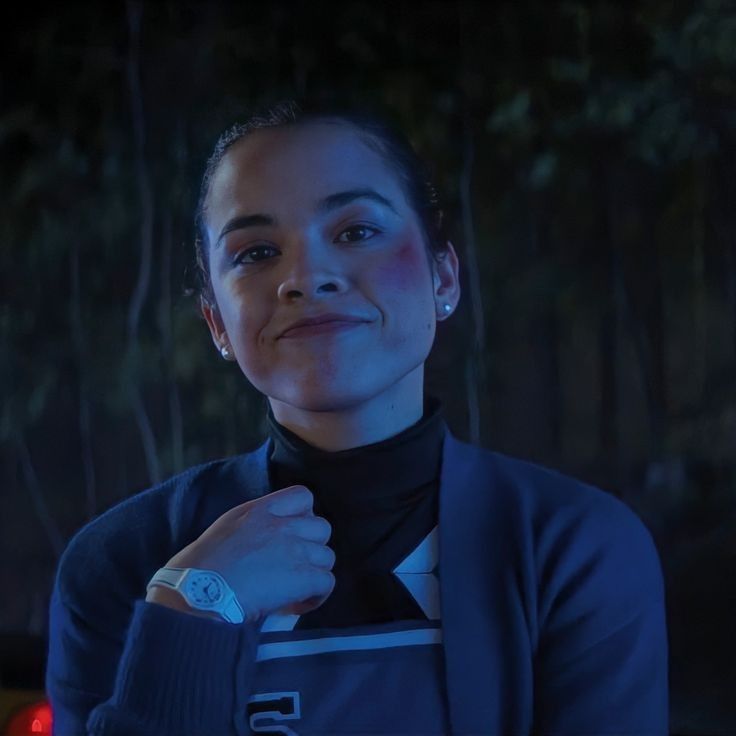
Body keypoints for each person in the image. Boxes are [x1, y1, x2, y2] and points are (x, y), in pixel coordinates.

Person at [45, 98, 668, 735]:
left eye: (356, 231)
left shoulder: (572, 550)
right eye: (257, 252)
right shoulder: (123, 563)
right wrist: (194, 610)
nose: (307, 277)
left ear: (443, 277)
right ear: (217, 324)